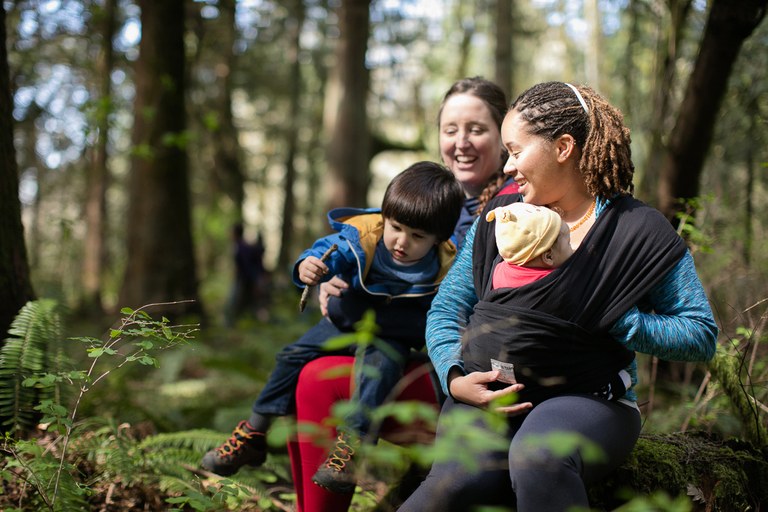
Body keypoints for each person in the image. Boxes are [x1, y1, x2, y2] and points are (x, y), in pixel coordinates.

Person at [398, 81, 719, 512]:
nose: (508, 167)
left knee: (538, 457)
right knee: (445, 492)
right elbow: (448, 306)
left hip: (590, 401)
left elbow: (700, 334)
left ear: (564, 147)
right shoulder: (502, 216)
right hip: (487, 397)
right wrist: (454, 375)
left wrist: (617, 318)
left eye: (516, 151)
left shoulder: (636, 231)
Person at [287, 76, 518, 512]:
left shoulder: (510, 208)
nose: (461, 143)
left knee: (321, 382)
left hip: (462, 377)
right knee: (307, 369)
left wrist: (356, 307)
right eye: (450, 130)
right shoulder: (433, 204)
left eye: (476, 129)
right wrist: (344, 284)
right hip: (417, 352)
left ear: (504, 137)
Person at [201, 162, 464, 492]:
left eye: (417, 236)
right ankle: (254, 433)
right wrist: (308, 268)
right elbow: (329, 251)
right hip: (346, 322)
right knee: (291, 357)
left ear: (438, 239)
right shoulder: (364, 235)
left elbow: (451, 309)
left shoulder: (445, 266)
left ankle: (350, 450)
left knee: (377, 371)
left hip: (391, 336)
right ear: (385, 216)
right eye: (396, 227)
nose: (401, 241)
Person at [224, 224, 266, 327]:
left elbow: (247, 265)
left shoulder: (241, 247)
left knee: (234, 302)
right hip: (245, 279)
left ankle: (231, 324)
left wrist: (254, 280)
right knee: (244, 302)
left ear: (235, 233)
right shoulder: (239, 245)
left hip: (244, 279)